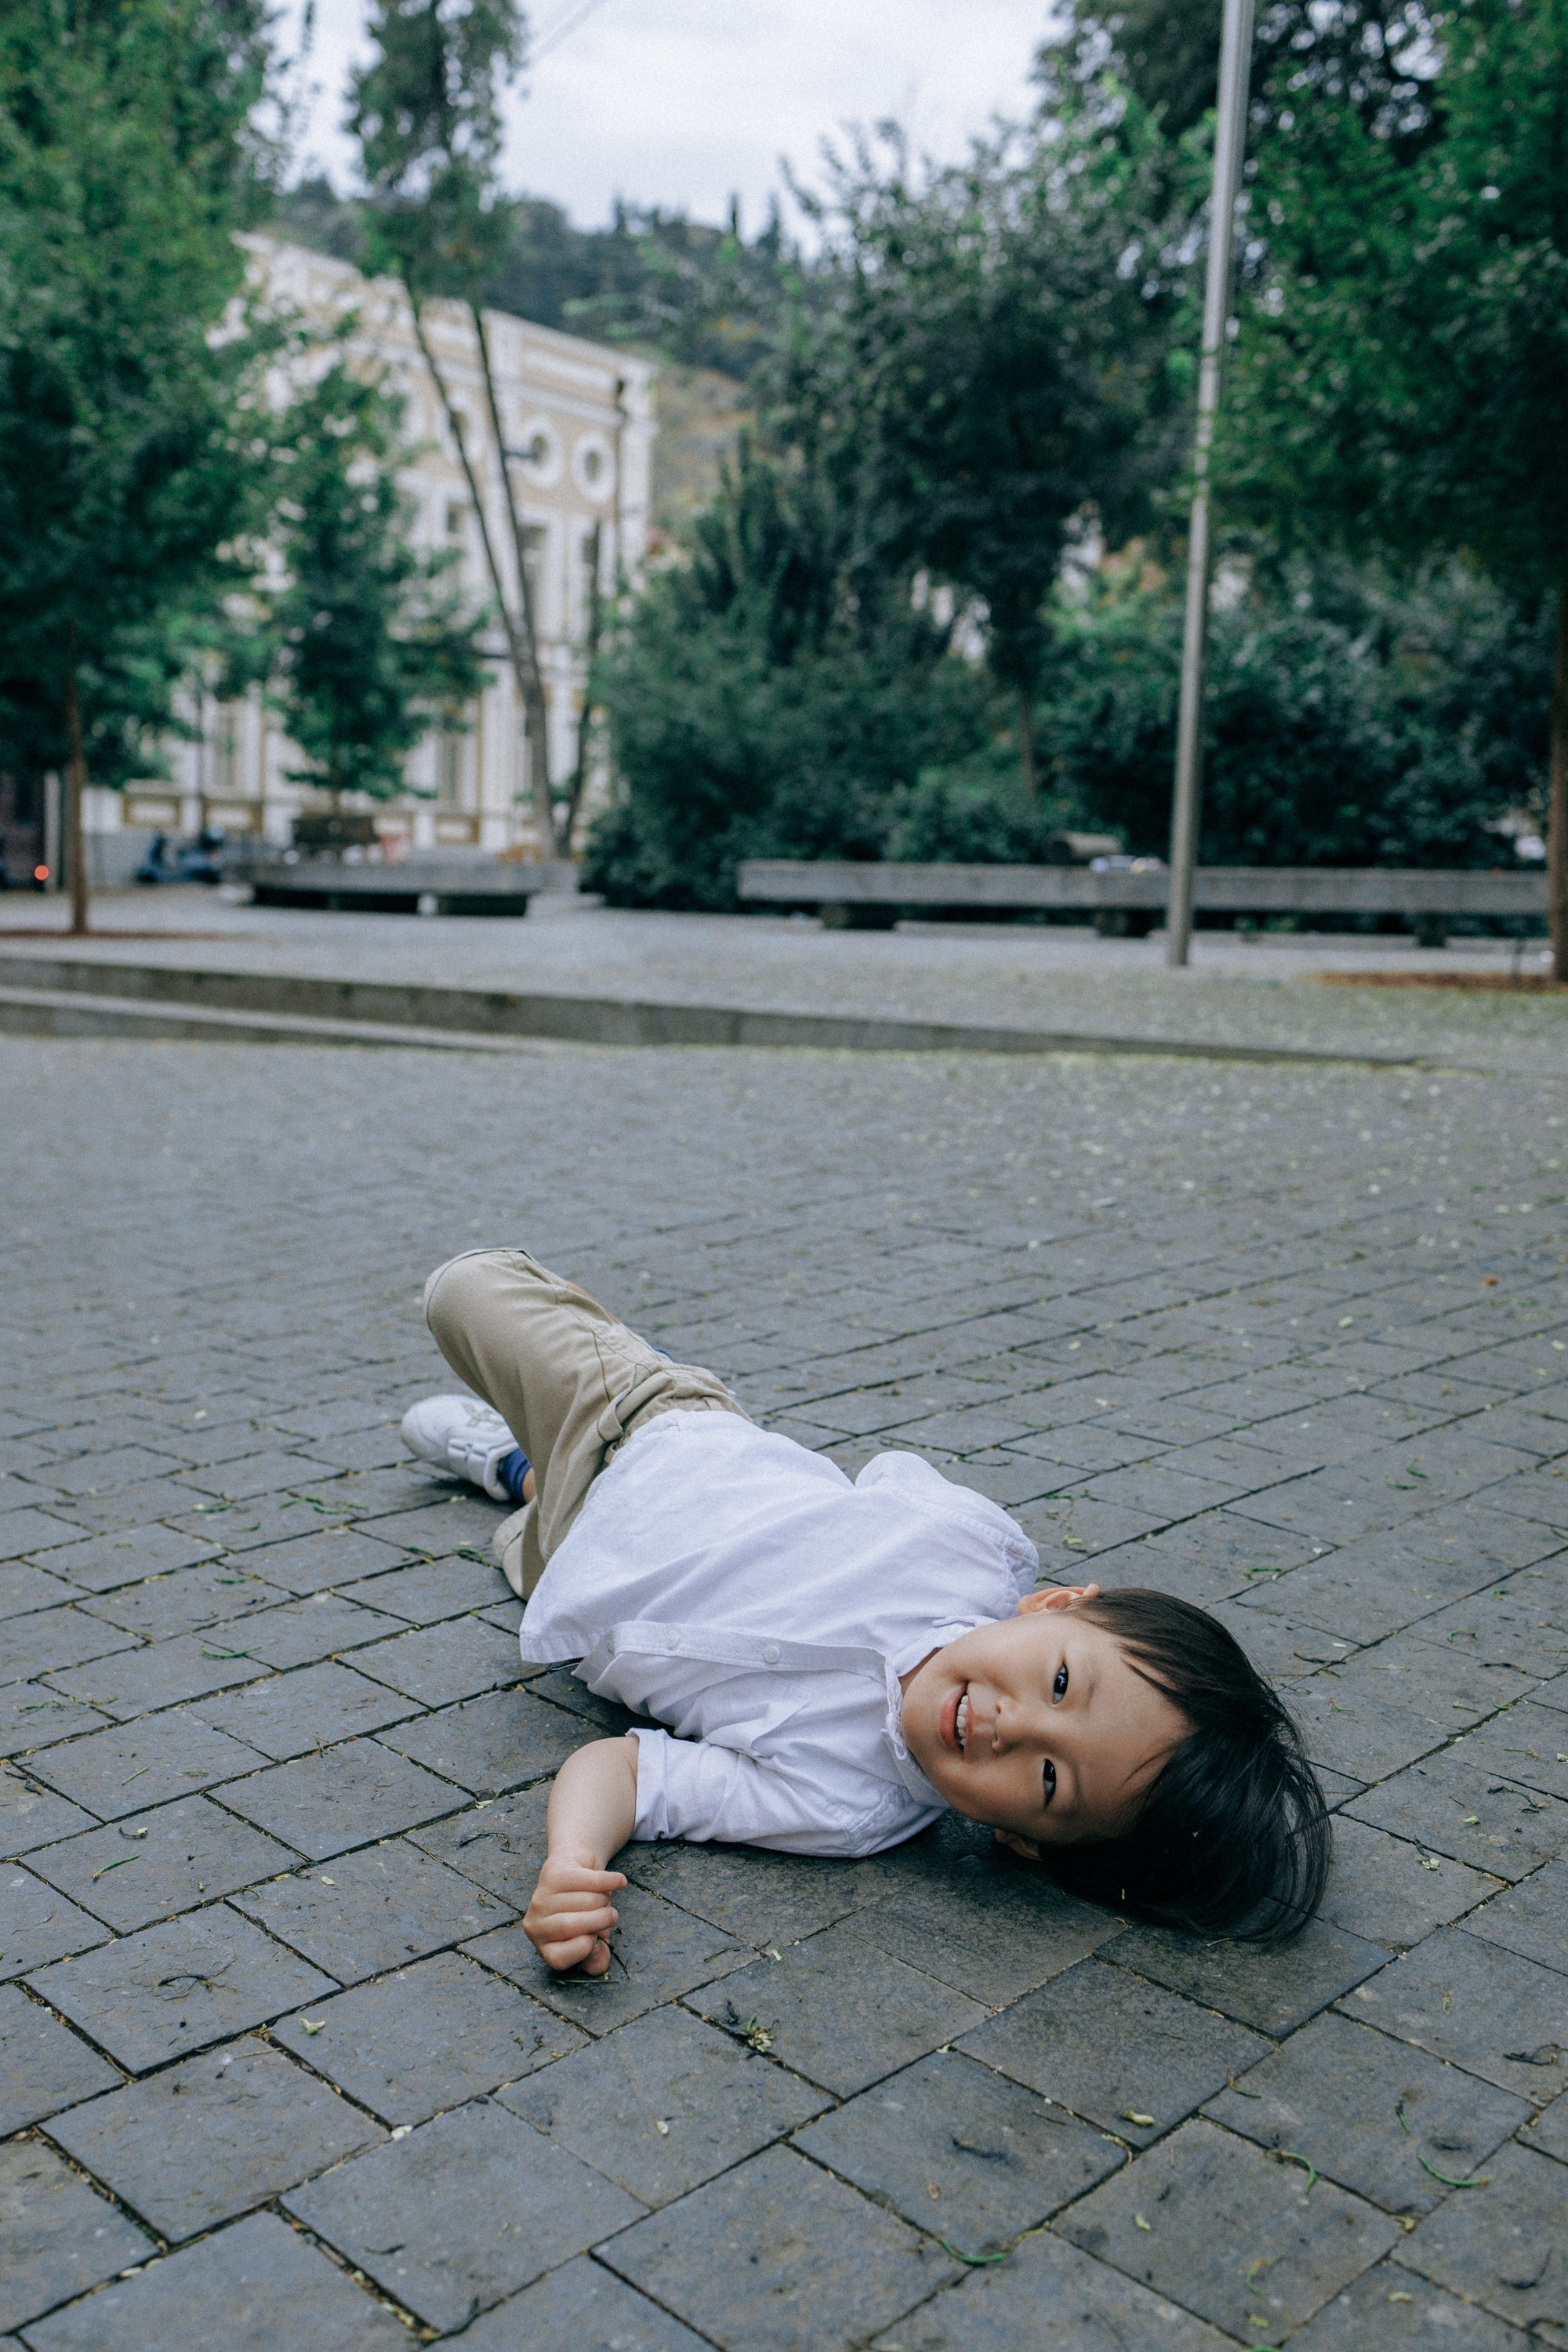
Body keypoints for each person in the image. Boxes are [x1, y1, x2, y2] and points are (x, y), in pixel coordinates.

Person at [402, 1247, 1330, 1979]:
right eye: (1057, 1681)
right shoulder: (971, 1548)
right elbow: (872, 1482)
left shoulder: (845, 1808)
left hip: (569, 1581)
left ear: (1021, 1844)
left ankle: (511, 1469)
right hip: (645, 1426)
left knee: (522, 1533)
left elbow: (627, 1772)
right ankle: (560, 1376)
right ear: (1054, 1604)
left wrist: (571, 1862)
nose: (1014, 1725)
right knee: (464, 1289)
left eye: (1050, 1781)